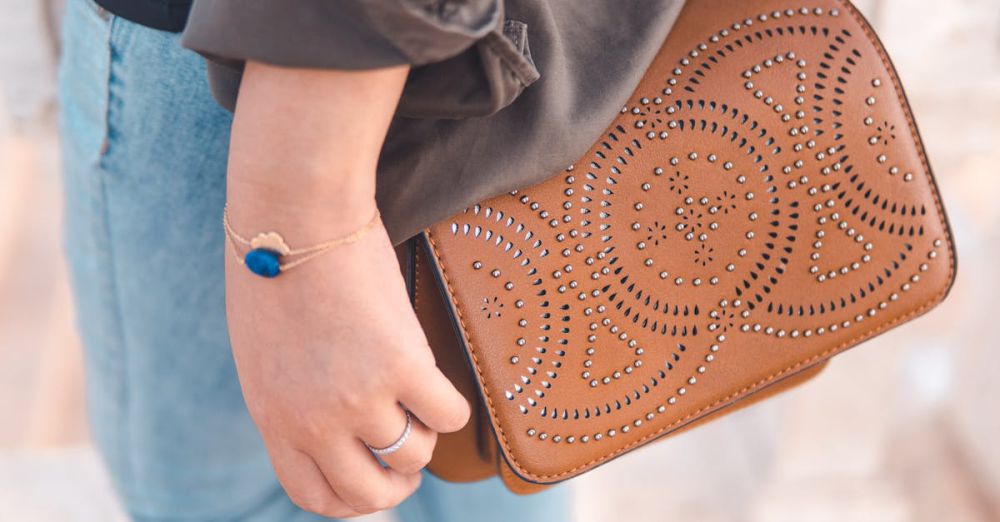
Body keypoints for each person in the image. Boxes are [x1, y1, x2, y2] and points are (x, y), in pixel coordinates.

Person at [57, 0, 683, 519]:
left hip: (274, 73)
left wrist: (299, 212)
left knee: (216, 494)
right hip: (547, 39)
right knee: (505, 446)